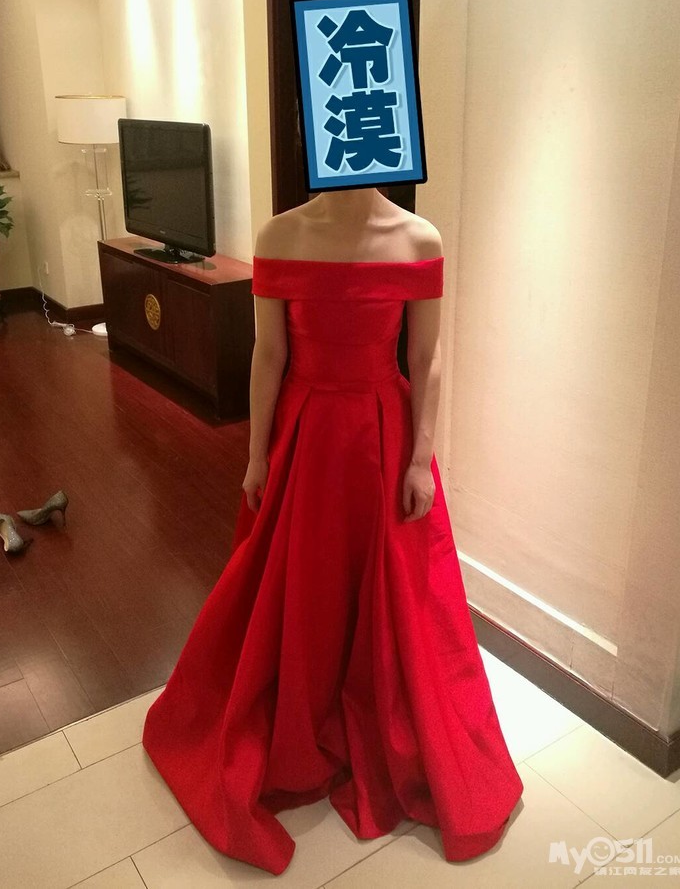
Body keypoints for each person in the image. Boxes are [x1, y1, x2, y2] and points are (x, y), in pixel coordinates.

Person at [142, 185, 524, 875]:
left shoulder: (418, 239)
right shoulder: (280, 235)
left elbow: (426, 357)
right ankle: (302, 713)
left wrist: (420, 459)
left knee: (396, 599)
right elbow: (268, 355)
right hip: (308, 435)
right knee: (305, 584)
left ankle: (375, 716)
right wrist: (256, 455)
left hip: (383, 435)